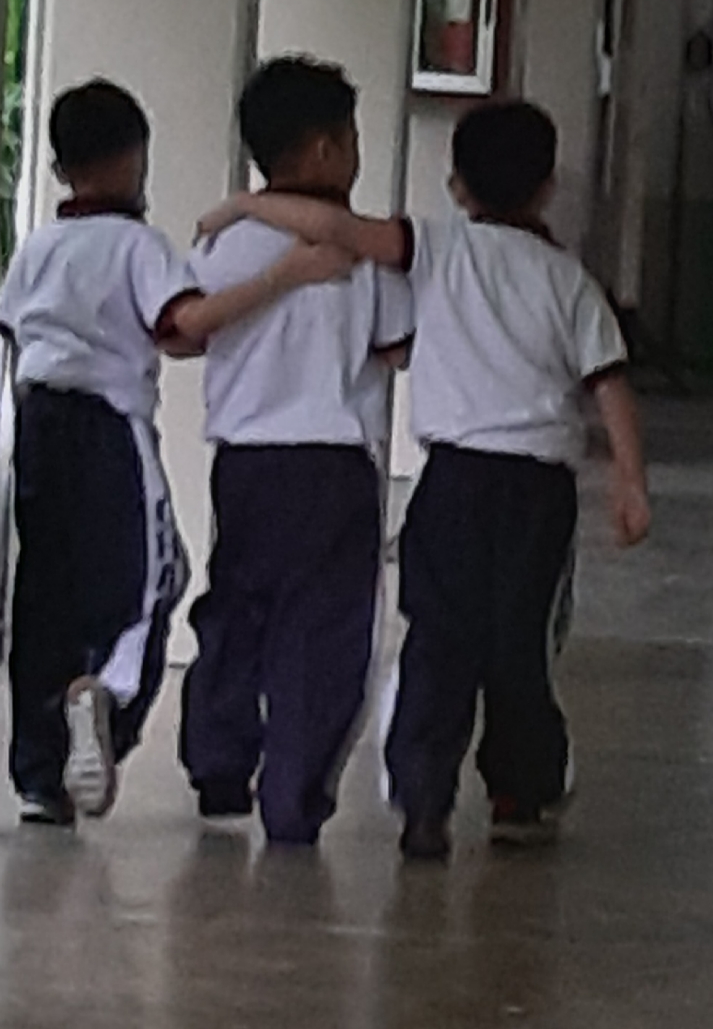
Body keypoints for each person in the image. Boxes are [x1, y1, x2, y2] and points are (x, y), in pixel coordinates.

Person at [201, 99, 651, 863]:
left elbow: (337, 228)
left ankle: (422, 795)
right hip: (537, 489)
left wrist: (246, 205)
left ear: (456, 186)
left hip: (452, 480)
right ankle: (519, 790)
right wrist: (630, 481)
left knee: (438, 636)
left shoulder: (435, 247)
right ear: (546, 187)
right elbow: (609, 382)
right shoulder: (570, 281)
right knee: (520, 641)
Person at [0, 79, 351, 829]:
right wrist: (281, 276)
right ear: (136, 158)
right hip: (110, 429)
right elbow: (184, 325)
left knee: (45, 591)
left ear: (58, 168)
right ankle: (109, 699)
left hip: (37, 422)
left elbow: (10, 324)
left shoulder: (39, 246)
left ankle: (38, 773)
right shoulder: (138, 245)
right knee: (155, 581)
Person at [178, 57, 414, 848]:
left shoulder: (227, 242)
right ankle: (293, 793)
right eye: (351, 139)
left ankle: (218, 763)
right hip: (331, 467)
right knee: (323, 634)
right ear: (322, 150)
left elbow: (185, 326)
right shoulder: (362, 253)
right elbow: (395, 348)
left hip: (244, 462)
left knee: (237, 606)